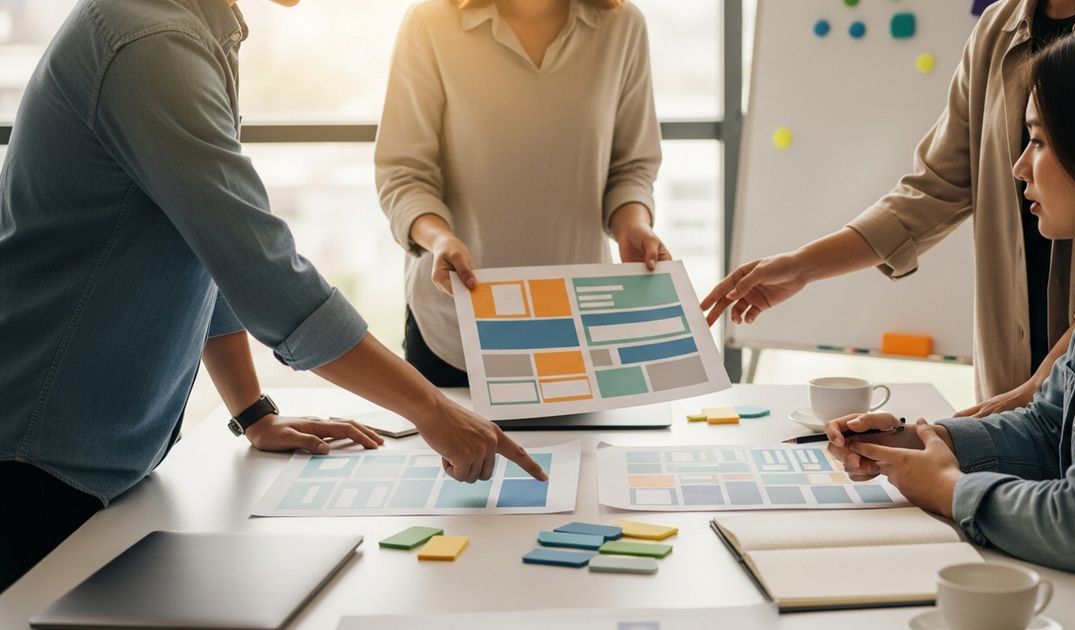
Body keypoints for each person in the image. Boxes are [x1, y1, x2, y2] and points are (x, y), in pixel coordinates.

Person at [0, 0, 545, 592]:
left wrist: (253, 412)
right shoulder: (150, 43)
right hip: (37, 462)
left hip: (92, 461)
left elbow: (202, 243)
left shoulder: (189, 28)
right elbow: (267, 276)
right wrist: (434, 413)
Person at [824, 22, 1075, 628]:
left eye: (1040, 142)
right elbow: (1051, 427)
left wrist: (947, 489)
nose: (1020, 168)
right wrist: (926, 443)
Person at [701, 0, 1075, 416]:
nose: (1022, 167)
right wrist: (803, 266)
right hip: (1010, 376)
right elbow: (934, 186)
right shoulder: (995, 29)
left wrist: (1040, 389)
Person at [376, 0, 667, 386]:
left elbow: (630, 167)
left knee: (583, 449)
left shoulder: (622, 26)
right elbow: (403, 172)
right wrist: (439, 238)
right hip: (455, 327)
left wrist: (633, 225)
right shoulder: (430, 23)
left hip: (579, 329)